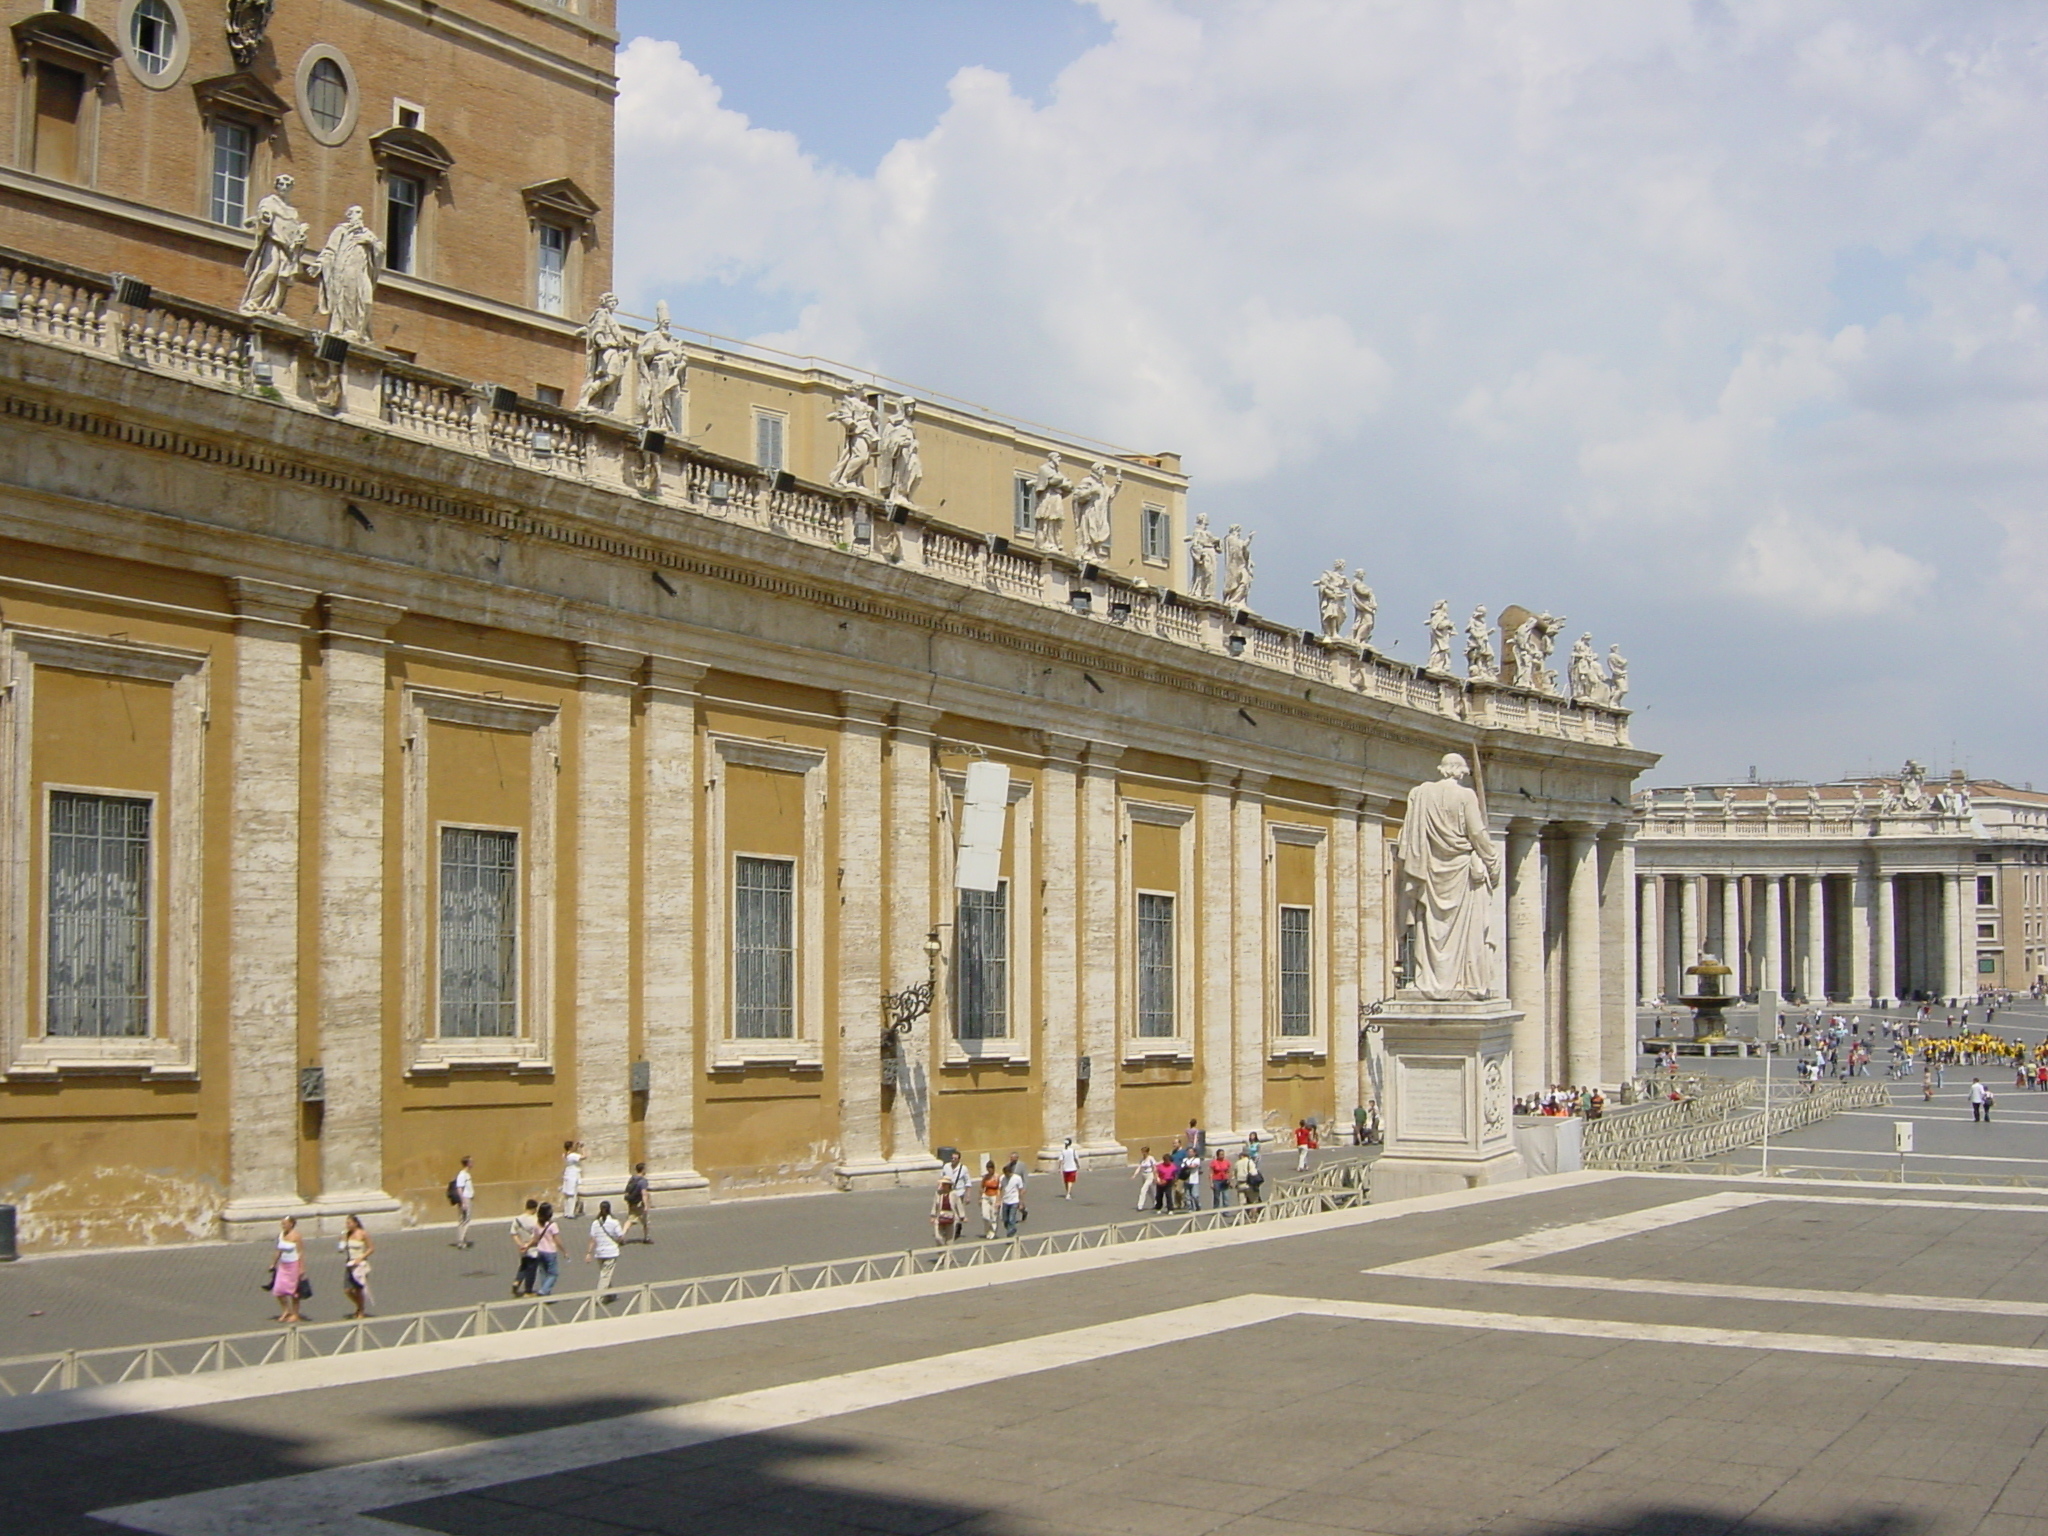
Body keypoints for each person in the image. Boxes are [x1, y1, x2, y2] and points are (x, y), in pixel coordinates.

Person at [585, 1200, 625, 1302]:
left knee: (605, 1274)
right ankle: (598, 1297)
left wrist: (589, 1253)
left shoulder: (595, 1223)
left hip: (599, 1253)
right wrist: (620, 1242)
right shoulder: (614, 1222)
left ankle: (610, 1295)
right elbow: (620, 1237)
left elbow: (592, 1239)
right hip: (611, 1252)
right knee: (605, 1275)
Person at [271, 1215, 306, 1324]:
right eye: (282, 1224)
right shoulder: (281, 1235)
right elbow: (278, 1250)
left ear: (291, 1224)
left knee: (293, 1291)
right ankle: (286, 1310)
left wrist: (301, 1268)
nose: (283, 1226)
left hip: (293, 1265)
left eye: (285, 1224)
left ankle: (295, 1313)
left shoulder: (296, 1236)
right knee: (278, 1290)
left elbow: (300, 1252)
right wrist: (273, 1263)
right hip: (283, 1265)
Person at [339, 1214, 374, 1320]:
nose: (347, 1225)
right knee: (347, 1290)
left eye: (349, 1223)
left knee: (358, 1289)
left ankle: (361, 1310)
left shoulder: (363, 1234)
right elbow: (342, 1249)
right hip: (350, 1263)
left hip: (359, 1264)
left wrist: (362, 1257)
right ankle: (359, 1306)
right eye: (346, 1223)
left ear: (355, 1223)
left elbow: (371, 1248)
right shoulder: (346, 1234)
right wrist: (342, 1241)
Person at [510, 1198, 541, 1297]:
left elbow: (513, 1233)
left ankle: (517, 1282)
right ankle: (528, 1291)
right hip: (533, 1248)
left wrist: (520, 1244)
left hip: (522, 1247)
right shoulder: (536, 1220)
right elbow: (537, 1236)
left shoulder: (517, 1219)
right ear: (534, 1208)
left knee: (523, 1266)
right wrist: (528, 1245)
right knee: (531, 1270)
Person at [531, 1202, 562, 1297]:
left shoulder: (537, 1224)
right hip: (550, 1251)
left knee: (543, 1272)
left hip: (540, 1251)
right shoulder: (552, 1225)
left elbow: (535, 1239)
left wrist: (527, 1246)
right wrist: (564, 1251)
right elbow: (557, 1240)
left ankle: (546, 1293)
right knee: (554, 1273)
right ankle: (544, 1291)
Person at [623, 1162, 653, 1243]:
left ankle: (622, 1235)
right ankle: (647, 1237)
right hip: (639, 1204)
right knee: (646, 1221)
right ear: (643, 1170)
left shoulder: (632, 1179)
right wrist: (646, 1205)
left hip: (632, 1202)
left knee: (630, 1220)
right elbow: (644, 1193)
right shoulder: (643, 1181)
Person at [1000, 1155, 1026, 1237]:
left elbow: (1020, 1190)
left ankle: (1010, 1233)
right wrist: (999, 1200)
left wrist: (1021, 1202)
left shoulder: (1017, 1178)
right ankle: (1011, 1229)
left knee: (1011, 1218)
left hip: (1014, 1201)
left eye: (1007, 1174)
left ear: (1010, 1172)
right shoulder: (1002, 1178)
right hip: (1005, 1201)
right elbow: (1001, 1189)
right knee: (1005, 1219)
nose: (1006, 1176)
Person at [930, 1173, 961, 1244]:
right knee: (938, 1237)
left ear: (949, 1185)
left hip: (951, 1217)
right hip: (939, 1217)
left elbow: (959, 1205)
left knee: (949, 1239)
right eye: (942, 1184)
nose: (943, 1185)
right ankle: (942, 1252)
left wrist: (962, 1216)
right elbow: (935, 1204)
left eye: (945, 1184)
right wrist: (932, 1216)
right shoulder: (938, 1193)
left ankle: (948, 1254)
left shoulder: (954, 1193)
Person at [451, 1156, 475, 1248]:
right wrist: (463, 1202)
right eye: (471, 1162)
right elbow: (459, 1189)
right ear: (467, 1163)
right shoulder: (462, 1175)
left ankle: (462, 1239)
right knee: (465, 1220)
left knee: (464, 1220)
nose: (472, 1163)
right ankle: (460, 1241)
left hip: (468, 1198)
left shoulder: (466, 1174)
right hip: (465, 1199)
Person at [979, 1157, 1002, 1240]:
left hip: (994, 1196)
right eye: (987, 1169)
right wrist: (980, 1198)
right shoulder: (985, 1177)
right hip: (986, 1196)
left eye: (990, 1169)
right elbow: (982, 1187)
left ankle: (992, 1232)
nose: (989, 1171)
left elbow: (999, 1189)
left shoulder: (997, 1177)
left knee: (993, 1215)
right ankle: (987, 1231)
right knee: (985, 1215)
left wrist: (998, 1200)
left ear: (993, 1168)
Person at [560, 1140, 584, 1217]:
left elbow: (575, 1154)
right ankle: (570, 1213)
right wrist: (582, 1148)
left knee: (567, 1194)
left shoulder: (565, 1155)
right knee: (572, 1195)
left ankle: (567, 1212)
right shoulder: (573, 1155)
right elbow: (584, 1156)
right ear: (570, 1147)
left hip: (567, 1175)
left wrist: (577, 1147)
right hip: (573, 1176)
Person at [1133, 1146, 1157, 1212]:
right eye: (1142, 1152)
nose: (1143, 1154)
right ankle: (1156, 1202)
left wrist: (1155, 1176)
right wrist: (1134, 1175)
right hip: (1144, 1175)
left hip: (1150, 1175)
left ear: (1147, 1152)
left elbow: (1154, 1167)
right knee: (1150, 1191)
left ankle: (1140, 1205)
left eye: (1144, 1152)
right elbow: (1139, 1167)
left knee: (1143, 1189)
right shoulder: (1142, 1160)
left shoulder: (1151, 1158)